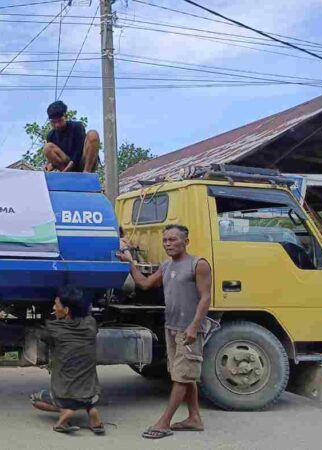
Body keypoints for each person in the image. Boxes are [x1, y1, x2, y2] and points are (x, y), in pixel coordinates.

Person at [117, 224, 212, 440]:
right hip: (172, 326)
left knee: (181, 376)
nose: (168, 244)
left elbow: (206, 297)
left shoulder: (199, 264)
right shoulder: (166, 266)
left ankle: (164, 422)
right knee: (183, 374)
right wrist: (130, 264)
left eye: (173, 240)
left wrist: (194, 327)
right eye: (165, 240)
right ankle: (194, 418)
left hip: (189, 329)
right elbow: (144, 283)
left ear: (186, 241)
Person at [30, 286, 105, 435]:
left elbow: (43, 336)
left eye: (56, 305)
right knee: (86, 395)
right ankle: (92, 412)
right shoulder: (91, 323)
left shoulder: (54, 328)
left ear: (66, 310)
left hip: (65, 395)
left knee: (34, 400)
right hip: (92, 395)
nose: (53, 307)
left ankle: (65, 413)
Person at [42, 100, 100, 173]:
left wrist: (68, 169)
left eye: (60, 121)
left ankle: (86, 173)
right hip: (67, 165)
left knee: (93, 134)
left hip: (83, 161)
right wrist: (48, 166)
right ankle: (69, 175)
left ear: (65, 117)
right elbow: (54, 158)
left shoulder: (77, 127)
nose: (57, 125)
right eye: (54, 122)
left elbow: (78, 151)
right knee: (47, 148)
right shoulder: (51, 135)